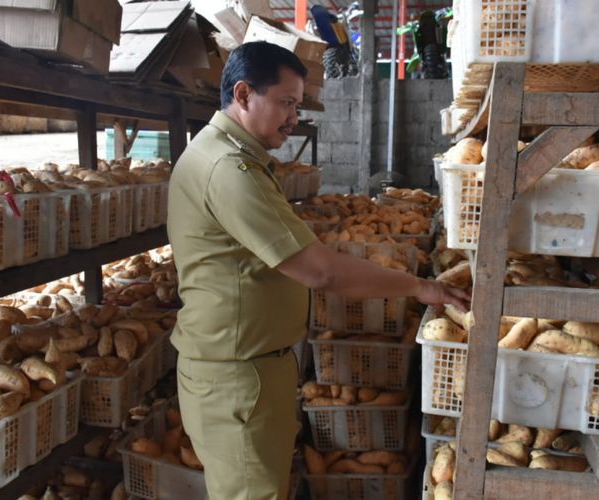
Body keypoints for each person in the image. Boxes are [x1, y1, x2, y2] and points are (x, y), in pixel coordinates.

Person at [167, 41, 469, 500]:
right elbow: (321, 272)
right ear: (244, 94)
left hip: (250, 366)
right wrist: (420, 287)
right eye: (286, 103)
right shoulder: (227, 170)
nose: (294, 117)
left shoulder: (230, 155)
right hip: (236, 377)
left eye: (296, 104)